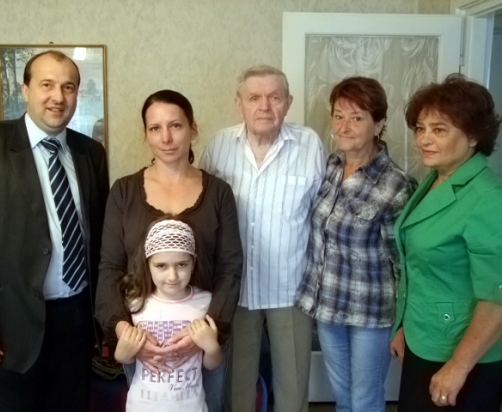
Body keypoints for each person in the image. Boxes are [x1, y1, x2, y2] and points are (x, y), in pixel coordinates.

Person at [0, 50, 109, 412]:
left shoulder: (91, 153)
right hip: (10, 325)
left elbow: (99, 238)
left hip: (76, 320)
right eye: (47, 85)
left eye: (68, 87)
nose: (58, 97)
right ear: (25, 90)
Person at [95, 89, 242, 412]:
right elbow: (110, 268)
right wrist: (125, 332)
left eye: (175, 125)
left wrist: (205, 334)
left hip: (205, 338)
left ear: (193, 128)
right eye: (155, 128)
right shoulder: (124, 192)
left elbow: (230, 268)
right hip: (143, 341)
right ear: (145, 134)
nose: (166, 138)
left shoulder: (219, 193)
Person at [200, 64, 326, 412]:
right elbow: (204, 210)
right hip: (236, 290)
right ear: (238, 103)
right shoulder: (219, 145)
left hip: (291, 289)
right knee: (237, 389)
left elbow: (322, 216)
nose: (265, 106)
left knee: (293, 388)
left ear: (288, 102)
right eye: (254, 97)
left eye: (275, 97)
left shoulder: (310, 145)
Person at [294, 77, 416, 412]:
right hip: (328, 304)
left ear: (379, 124)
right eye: (338, 116)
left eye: (357, 117)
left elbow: (403, 263)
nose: (344, 127)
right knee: (342, 395)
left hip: (371, 311)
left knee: (365, 398)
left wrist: (403, 324)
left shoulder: (396, 184)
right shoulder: (330, 167)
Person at [390, 74, 502, 411]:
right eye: (420, 128)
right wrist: (404, 327)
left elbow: (497, 297)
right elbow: (421, 268)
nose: (424, 139)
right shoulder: (436, 180)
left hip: (464, 356)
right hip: (426, 339)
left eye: (439, 130)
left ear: (473, 136)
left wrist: (458, 367)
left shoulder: (488, 199)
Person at [115, 217, 222, 411]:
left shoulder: (205, 302)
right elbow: (130, 357)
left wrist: (212, 348)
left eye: (182, 265)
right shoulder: (135, 303)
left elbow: (212, 365)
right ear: (148, 264)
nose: (172, 276)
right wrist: (121, 355)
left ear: (193, 262)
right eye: (161, 266)